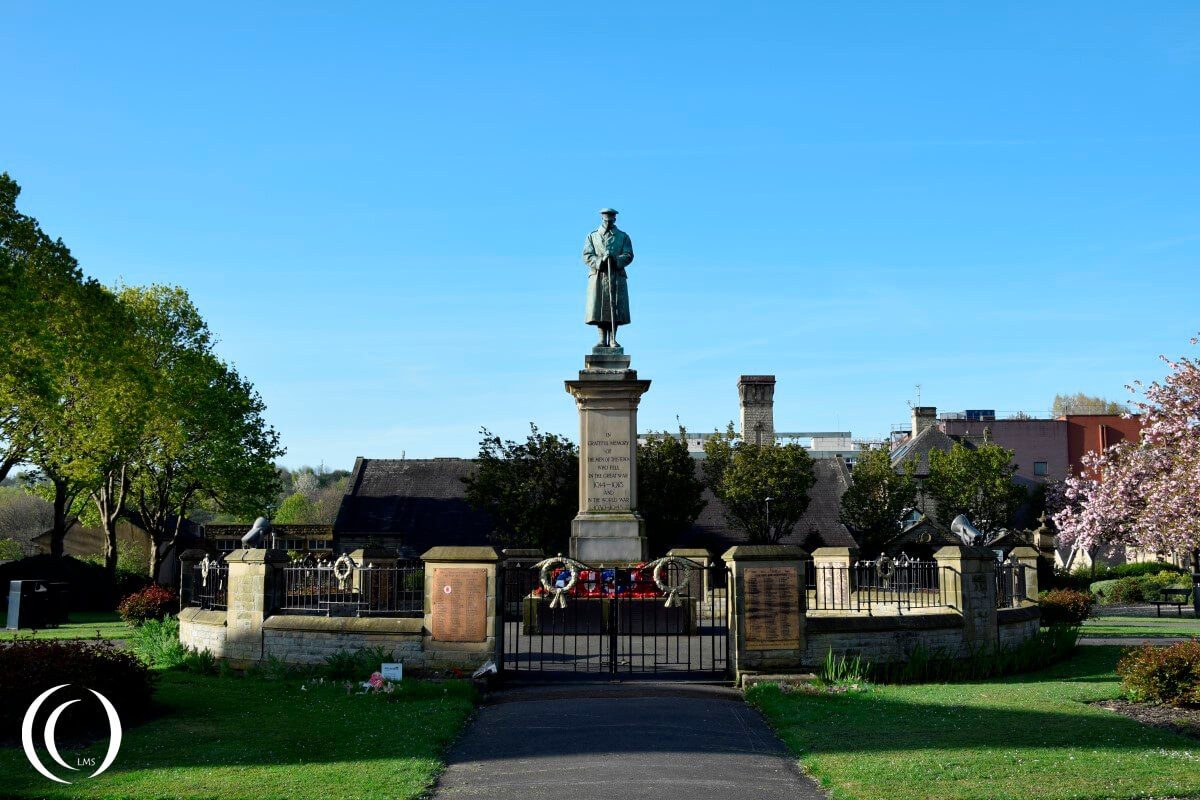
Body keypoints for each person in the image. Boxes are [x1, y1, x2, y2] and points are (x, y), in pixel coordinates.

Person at [581, 208, 633, 347]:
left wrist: (615, 259)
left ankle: (613, 339)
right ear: (602, 219)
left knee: (615, 307)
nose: (608, 222)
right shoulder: (592, 236)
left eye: (610, 220)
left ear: (615, 219)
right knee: (600, 307)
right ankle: (602, 339)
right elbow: (587, 255)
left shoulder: (623, 237)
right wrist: (600, 261)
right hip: (599, 276)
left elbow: (628, 255)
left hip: (616, 276)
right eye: (605, 220)